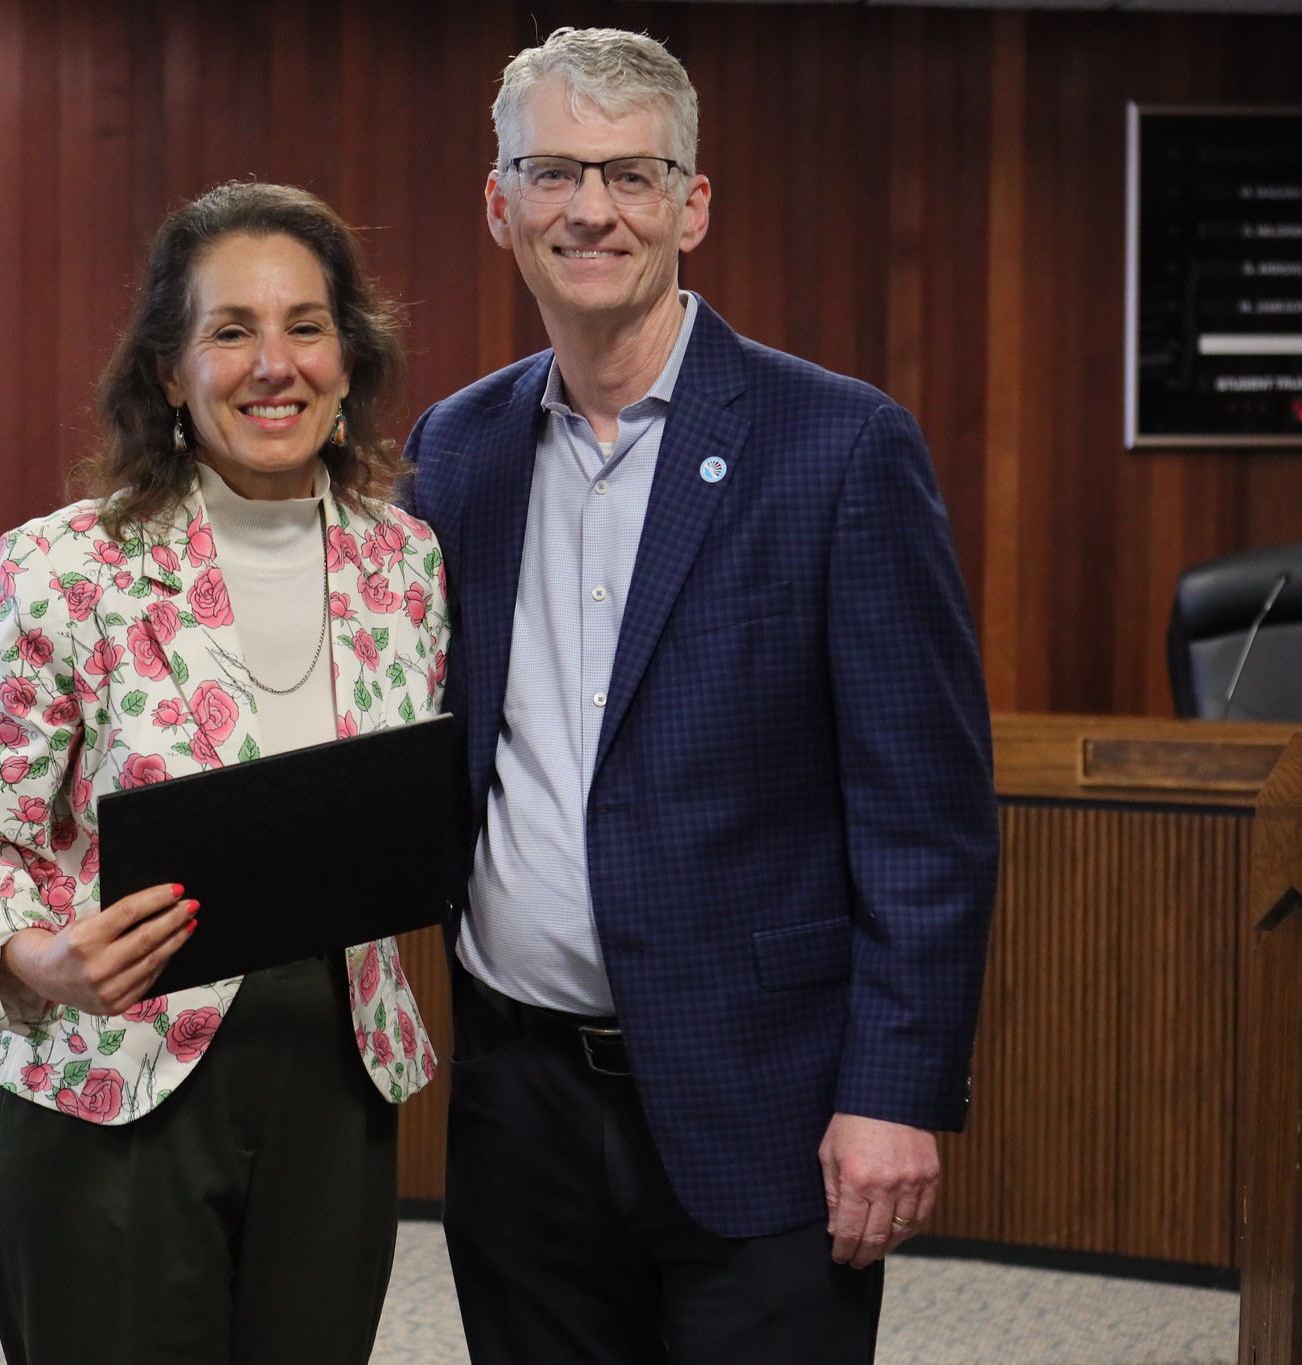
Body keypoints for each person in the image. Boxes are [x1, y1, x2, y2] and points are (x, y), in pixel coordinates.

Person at [403, 28, 998, 1365]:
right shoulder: (457, 451)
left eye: (631, 173)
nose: (592, 209)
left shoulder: (839, 446)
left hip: (766, 1105)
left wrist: (894, 1094)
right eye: (553, 172)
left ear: (692, 202)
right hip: (521, 1105)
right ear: (500, 205)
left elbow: (927, 815)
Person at [0, 180, 448, 1365]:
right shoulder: (63, 568)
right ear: (167, 371)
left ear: (349, 361)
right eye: (230, 330)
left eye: (306, 327)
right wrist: (36, 958)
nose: (274, 365)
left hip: (334, 1082)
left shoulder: (406, 565)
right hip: (119, 1077)